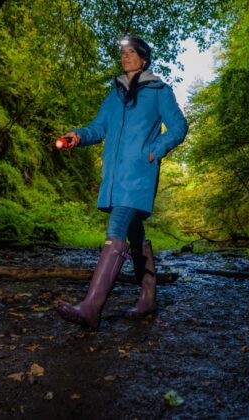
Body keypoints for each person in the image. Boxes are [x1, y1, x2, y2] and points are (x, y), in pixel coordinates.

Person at [56, 36, 188, 328]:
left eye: (131, 52)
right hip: (115, 177)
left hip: (139, 173)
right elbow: (99, 127)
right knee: (134, 233)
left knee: (116, 228)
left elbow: (179, 126)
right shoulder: (114, 94)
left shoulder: (159, 91)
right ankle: (149, 296)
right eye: (122, 52)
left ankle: (91, 308)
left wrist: (156, 149)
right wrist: (78, 135)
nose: (125, 56)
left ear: (144, 59)